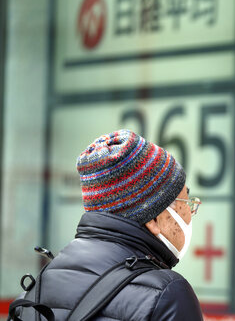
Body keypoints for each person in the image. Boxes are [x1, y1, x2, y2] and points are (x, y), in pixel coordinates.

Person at [17, 129, 203, 320]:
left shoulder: (35, 292)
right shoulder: (166, 297)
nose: (191, 212)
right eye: (186, 203)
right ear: (153, 218)